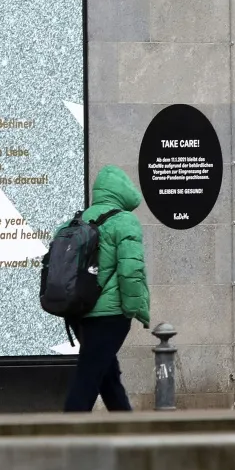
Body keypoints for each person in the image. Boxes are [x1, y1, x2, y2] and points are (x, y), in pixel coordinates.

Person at [65, 165, 150, 412]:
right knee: (87, 380)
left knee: (108, 379)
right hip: (109, 315)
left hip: (78, 311)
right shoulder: (124, 222)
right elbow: (131, 270)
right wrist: (134, 309)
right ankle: (63, 439)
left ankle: (129, 438)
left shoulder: (76, 221)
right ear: (122, 191)